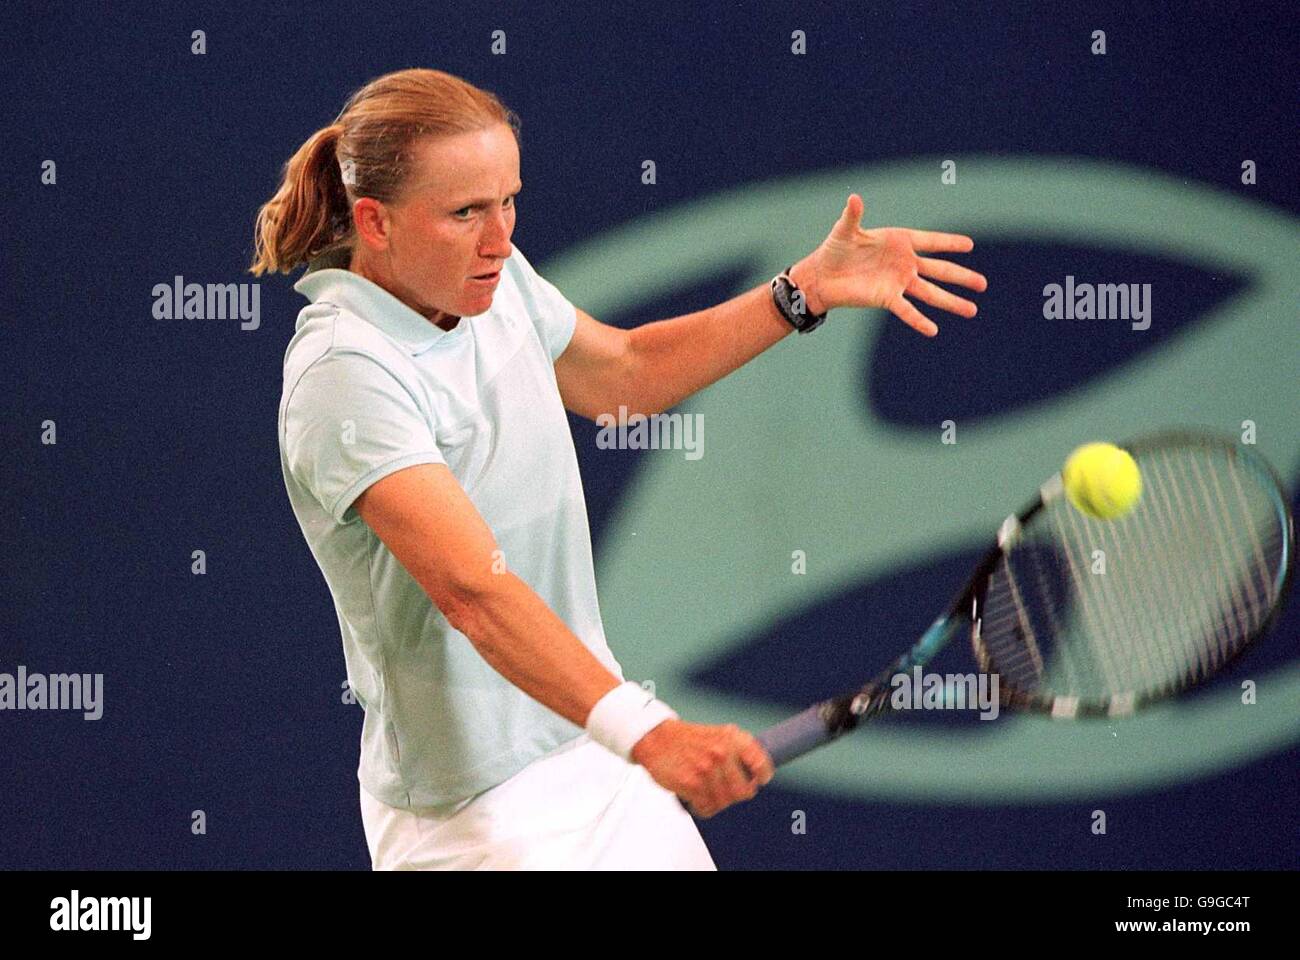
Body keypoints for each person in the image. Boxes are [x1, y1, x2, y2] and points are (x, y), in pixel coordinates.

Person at [249, 68, 985, 870]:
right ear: (375, 223)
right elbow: (473, 592)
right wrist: (651, 732)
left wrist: (800, 292)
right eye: (466, 213)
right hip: (474, 821)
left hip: (593, 750)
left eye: (509, 202)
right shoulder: (345, 372)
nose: (500, 238)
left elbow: (623, 375)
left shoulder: (488, 280)